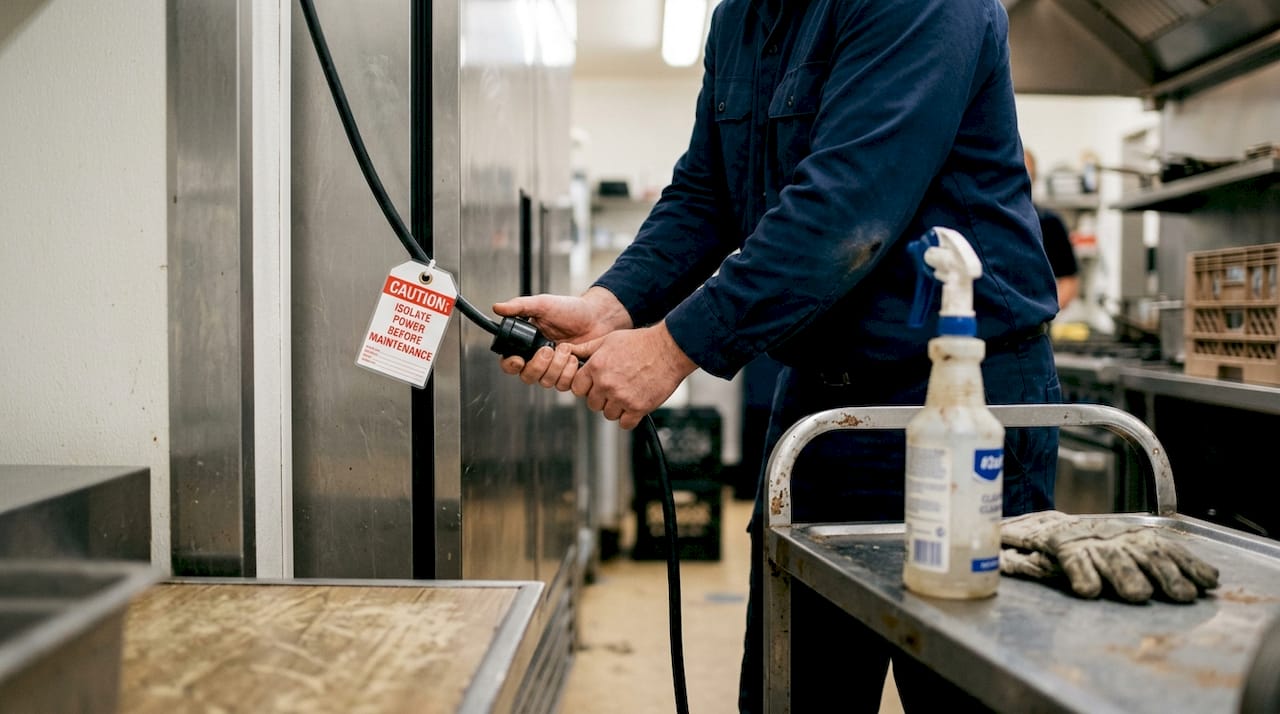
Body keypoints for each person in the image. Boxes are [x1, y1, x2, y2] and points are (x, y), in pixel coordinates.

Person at [494, 1, 1061, 711]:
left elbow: (846, 209)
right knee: (790, 694)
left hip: (959, 404)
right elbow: (704, 195)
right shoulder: (740, 19)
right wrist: (611, 306)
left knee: (964, 692)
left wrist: (670, 348)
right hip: (819, 412)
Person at [1024, 148, 1082, 309]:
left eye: (1026, 173)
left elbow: (1069, 281)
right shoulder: (985, 219)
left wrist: (1043, 313)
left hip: (1034, 325)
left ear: (1034, 178)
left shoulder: (1049, 223)